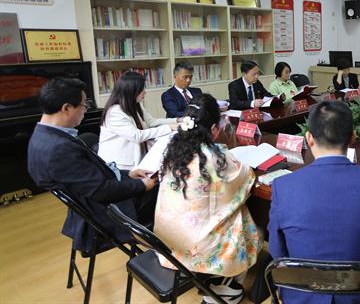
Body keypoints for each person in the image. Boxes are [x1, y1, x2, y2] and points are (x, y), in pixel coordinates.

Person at [268, 100, 360, 304]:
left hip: (302, 297)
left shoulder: (282, 187)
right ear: (353, 137)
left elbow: (277, 253)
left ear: (309, 138)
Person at [27, 77, 157, 253]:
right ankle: (171, 252)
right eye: (83, 105)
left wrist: (128, 174)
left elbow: (90, 177)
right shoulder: (59, 149)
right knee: (167, 189)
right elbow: (102, 190)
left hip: (96, 200)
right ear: (66, 108)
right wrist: (142, 185)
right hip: (107, 213)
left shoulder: (43, 135)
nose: (85, 110)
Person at [155, 94, 262, 304]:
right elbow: (246, 178)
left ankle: (213, 278)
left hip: (168, 239)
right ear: (214, 128)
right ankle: (224, 284)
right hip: (196, 246)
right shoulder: (215, 157)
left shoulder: (173, 150)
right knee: (245, 218)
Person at [98, 71, 177, 170]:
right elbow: (136, 136)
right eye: (142, 89)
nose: (145, 92)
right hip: (118, 166)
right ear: (132, 91)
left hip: (139, 158)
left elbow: (151, 122)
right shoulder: (115, 112)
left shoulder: (135, 104)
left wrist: (177, 120)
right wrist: (169, 128)